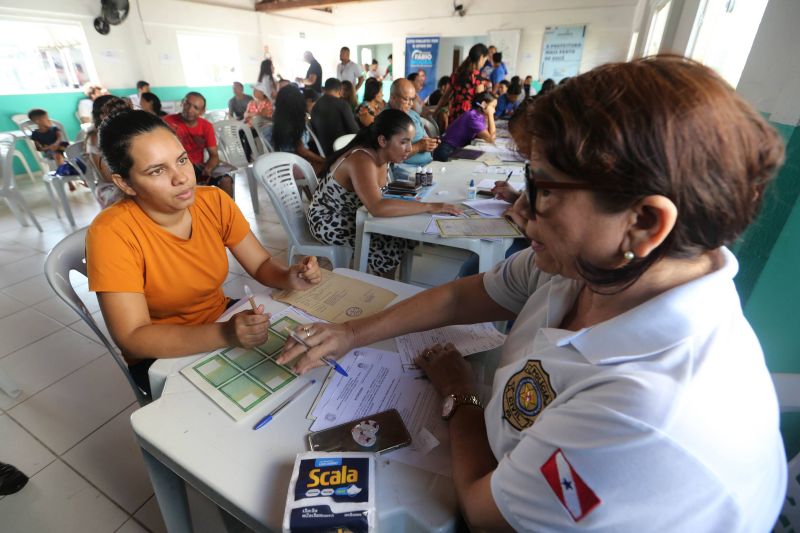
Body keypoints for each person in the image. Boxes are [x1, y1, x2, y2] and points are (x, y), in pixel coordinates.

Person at [279, 56, 787, 532]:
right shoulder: (590, 267)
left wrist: (461, 392)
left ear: (645, 223)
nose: (520, 211)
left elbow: (482, 510)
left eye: (542, 188)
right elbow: (460, 298)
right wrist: (350, 332)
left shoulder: (647, 416)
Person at [86, 110, 322, 398]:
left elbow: (260, 263)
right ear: (125, 183)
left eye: (182, 160)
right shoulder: (111, 233)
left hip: (221, 318)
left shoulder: (213, 202)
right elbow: (133, 337)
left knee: (305, 373)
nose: (182, 178)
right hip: (160, 353)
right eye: (157, 171)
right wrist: (223, 334)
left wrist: (288, 276)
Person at [307, 109, 461, 276]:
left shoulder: (383, 155)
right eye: (404, 142)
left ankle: (392, 282)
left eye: (411, 141)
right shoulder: (361, 159)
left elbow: (381, 196)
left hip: (357, 211)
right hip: (330, 219)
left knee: (401, 232)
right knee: (387, 241)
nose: (410, 148)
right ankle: (384, 287)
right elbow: (377, 207)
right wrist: (430, 206)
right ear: (382, 140)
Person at [163, 92, 234, 197]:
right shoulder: (166, 122)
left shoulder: (206, 126)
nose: (190, 109)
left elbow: (214, 155)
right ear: (182, 103)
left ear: (202, 111)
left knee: (226, 180)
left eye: (196, 108)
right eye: (188, 104)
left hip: (197, 168)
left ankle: (228, 212)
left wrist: (208, 170)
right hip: (175, 168)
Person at [86, 95, 132, 206]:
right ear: (101, 116)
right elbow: (107, 177)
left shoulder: (125, 130)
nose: (119, 116)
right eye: (112, 112)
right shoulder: (95, 138)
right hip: (111, 187)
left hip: (129, 179)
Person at [271, 85, 326, 174]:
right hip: (297, 165)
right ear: (299, 102)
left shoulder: (278, 120)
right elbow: (302, 151)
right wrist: (324, 161)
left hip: (282, 164)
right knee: (332, 168)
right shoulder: (295, 123)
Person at [386, 78, 438, 166]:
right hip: (405, 169)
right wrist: (419, 147)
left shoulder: (412, 114)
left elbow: (424, 139)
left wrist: (430, 144)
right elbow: (390, 156)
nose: (411, 104)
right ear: (393, 97)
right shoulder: (385, 119)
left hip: (427, 164)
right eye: (406, 99)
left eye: (412, 99)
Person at [432, 92, 496, 161]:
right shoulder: (473, 117)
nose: (494, 110)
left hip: (454, 148)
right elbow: (491, 139)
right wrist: (490, 115)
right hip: (446, 150)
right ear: (484, 104)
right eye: (493, 107)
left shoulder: (479, 115)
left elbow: (487, 135)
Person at [436, 43, 489, 124]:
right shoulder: (477, 77)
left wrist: (435, 112)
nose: (484, 63)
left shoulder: (457, 73)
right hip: (469, 117)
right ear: (481, 57)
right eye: (485, 60)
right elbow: (480, 103)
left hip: (454, 114)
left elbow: (445, 96)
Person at [309, 78, 360, 157]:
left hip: (324, 152)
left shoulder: (315, 106)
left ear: (324, 89)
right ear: (339, 90)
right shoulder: (342, 104)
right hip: (342, 151)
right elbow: (355, 131)